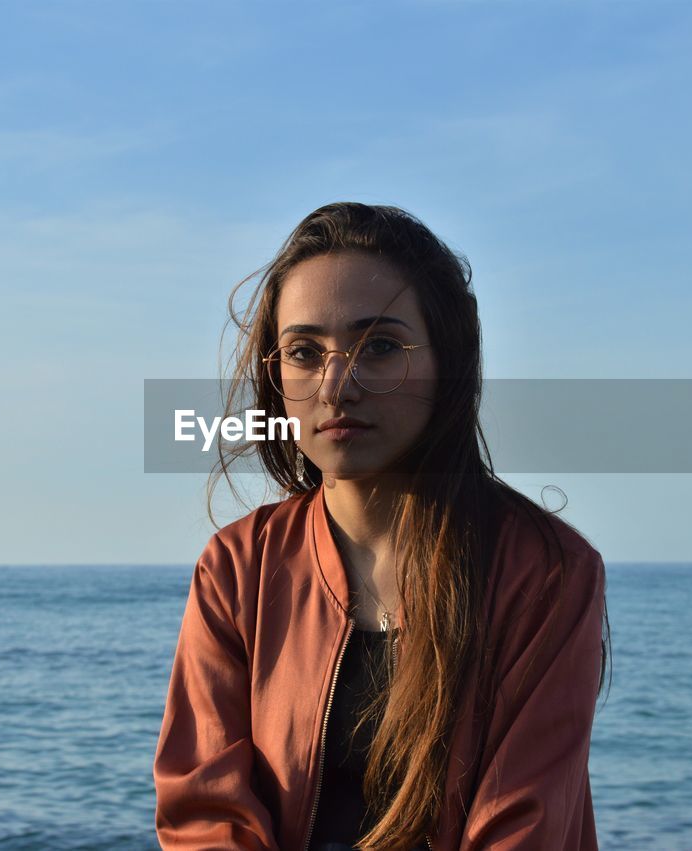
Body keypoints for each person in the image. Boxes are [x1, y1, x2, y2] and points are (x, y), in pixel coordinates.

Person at [153, 202, 611, 850]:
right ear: (274, 372)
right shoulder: (238, 566)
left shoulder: (543, 570)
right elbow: (203, 815)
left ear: (446, 357)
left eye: (382, 346)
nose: (337, 385)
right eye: (305, 352)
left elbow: (522, 826)